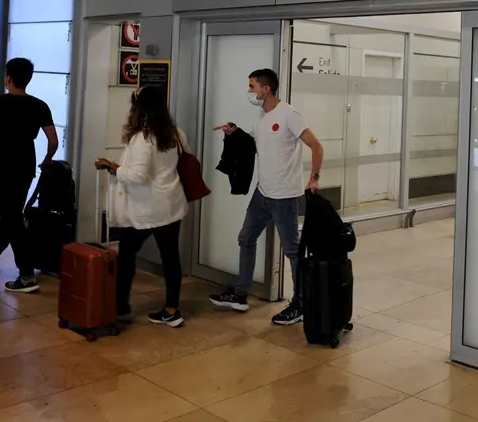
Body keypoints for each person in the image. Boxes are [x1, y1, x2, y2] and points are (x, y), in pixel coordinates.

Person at [209, 68, 324, 326]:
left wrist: (314, 176)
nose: (250, 92)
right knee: (246, 238)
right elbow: (256, 145)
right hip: (263, 193)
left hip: (285, 196)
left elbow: (316, 145)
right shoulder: (261, 116)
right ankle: (240, 294)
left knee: (292, 250)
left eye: (252, 86)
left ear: (266, 89)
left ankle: (300, 302)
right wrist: (234, 133)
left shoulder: (290, 115)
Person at [96, 85, 188, 327]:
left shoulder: (142, 139)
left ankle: (121, 308)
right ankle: (172, 309)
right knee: (171, 258)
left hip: (146, 210)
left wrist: (112, 167)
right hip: (171, 205)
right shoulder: (176, 133)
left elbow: (137, 177)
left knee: (126, 256)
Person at [0, 57, 58, 294]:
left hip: (3, 166)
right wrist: (48, 159)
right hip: (26, 166)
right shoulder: (39, 106)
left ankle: (27, 275)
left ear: (8, 77)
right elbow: (52, 140)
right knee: (11, 216)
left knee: (11, 219)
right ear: (28, 79)